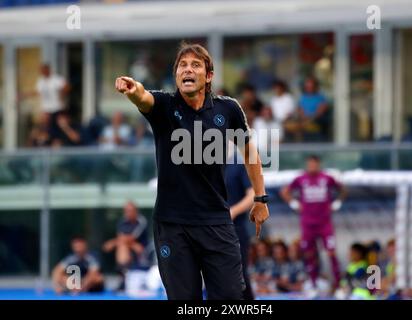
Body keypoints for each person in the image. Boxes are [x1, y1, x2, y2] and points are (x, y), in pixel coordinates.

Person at [114, 42, 269, 300]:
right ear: (176, 75)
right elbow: (142, 96)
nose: (187, 69)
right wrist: (132, 90)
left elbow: (250, 153)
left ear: (208, 76)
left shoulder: (228, 109)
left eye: (195, 65)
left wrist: (260, 198)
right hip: (172, 227)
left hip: (217, 223)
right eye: (182, 65)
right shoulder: (163, 105)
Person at [280, 154, 346, 291]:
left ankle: (339, 286)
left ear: (318, 164)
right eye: (310, 164)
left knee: (331, 253)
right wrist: (293, 203)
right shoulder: (301, 179)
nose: (312, 167)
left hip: (324, 223)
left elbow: (343, 189)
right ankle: (313, 285)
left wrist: (337, 203)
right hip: (308, 224)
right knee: (309, 254)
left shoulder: (327, 178)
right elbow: (285, 191)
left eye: (314, 164)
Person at [225, 146, 255, 300]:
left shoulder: (239, 163)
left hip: (235, 229)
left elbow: (253, 195)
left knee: (239, 274)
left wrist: (233, 211)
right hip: (210, 228)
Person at [103, 201, 149, 290]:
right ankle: (123, 275)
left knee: (122, 245)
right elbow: (121, 238)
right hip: (129, 248)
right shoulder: (122, 222)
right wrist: (119, 241)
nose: (127, 213)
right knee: (122, 246)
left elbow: (131, 238)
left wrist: (112, 243)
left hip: (141, 250)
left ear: (136, 211)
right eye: (126, 211)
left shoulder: (141, 221)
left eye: (130, 211)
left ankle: (122, 275)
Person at [297, 77, 330, 141]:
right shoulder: (303, 97)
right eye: (307, 87)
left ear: (315, 87)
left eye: (311, 87)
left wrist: (310, 118)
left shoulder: (321, 98)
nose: (309, 89)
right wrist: (303, 117)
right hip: (305, 127)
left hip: (317, 128)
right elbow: (300, 109)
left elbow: (321, 111)